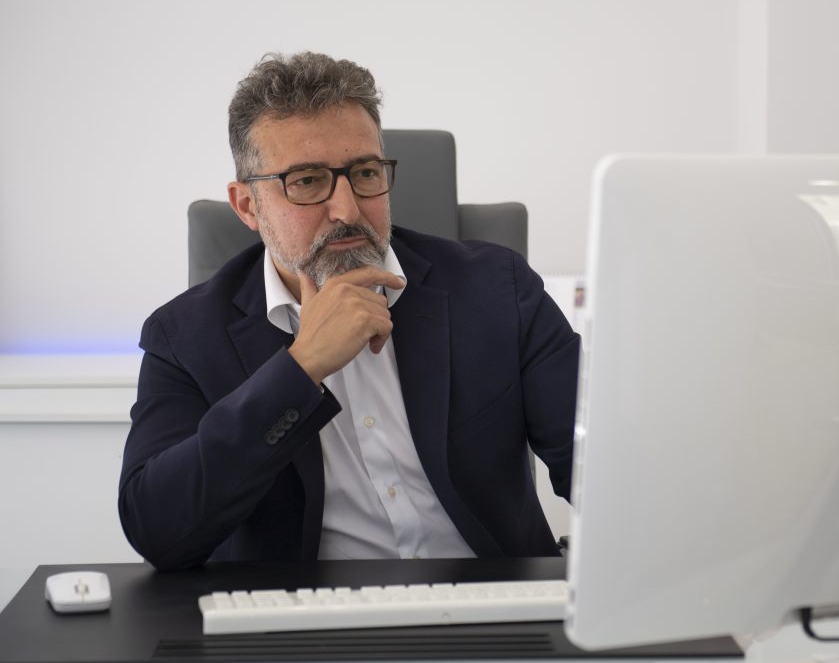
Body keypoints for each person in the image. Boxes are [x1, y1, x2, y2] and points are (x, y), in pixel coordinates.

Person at [117, 52, 579, 571]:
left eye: (364, 173)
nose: (348, 209)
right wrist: (300, 368)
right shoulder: (184, 338)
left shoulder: (496, 289)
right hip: (308, 613)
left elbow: (598, 466)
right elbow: (157, 530)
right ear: (248, 206)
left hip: (495, 601)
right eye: (307, 181)